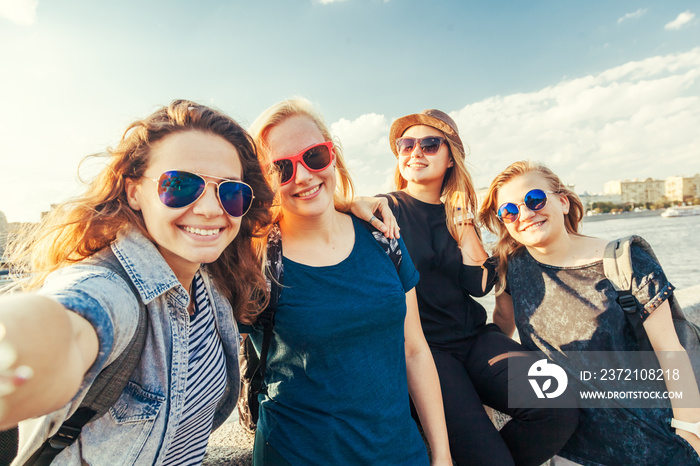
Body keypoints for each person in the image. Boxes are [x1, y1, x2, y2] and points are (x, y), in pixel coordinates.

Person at [0, 100, 274, 465]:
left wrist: (355, 206)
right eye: (180, 185)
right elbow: (71, 323)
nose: (211, 209)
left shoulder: (212, 283)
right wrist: (22, 348)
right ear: (133, 192)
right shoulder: (110, 288)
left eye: (230, 192)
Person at [351, 110, 578, 466]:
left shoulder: (458, 212)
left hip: (476, 339)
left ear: (450, 156)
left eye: (429, 144)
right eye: (406, 145)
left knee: (560, 400)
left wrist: (464, 222)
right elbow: (313, 212)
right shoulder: (385, 208)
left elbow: (480, 284)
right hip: (428, 354)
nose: (415, 152)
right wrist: (349, 201)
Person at [245, 98, 451, 465]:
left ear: (333, 154)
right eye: (281, 169)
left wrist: (443, 455)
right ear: (264, 180)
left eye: (315, 156)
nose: (304, 176)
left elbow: (415, 349)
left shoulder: (382, 234)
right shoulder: (257, 260)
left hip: (400, 453)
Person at [479, 160, 700, 465]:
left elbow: (670, 350)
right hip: (571, 451)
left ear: (563, 201)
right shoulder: (511, 269)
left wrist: (690, 433)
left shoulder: (625, 260)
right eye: (509, 211)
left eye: (534, 200)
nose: (526, 215)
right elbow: (500, 332)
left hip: (654, 444)